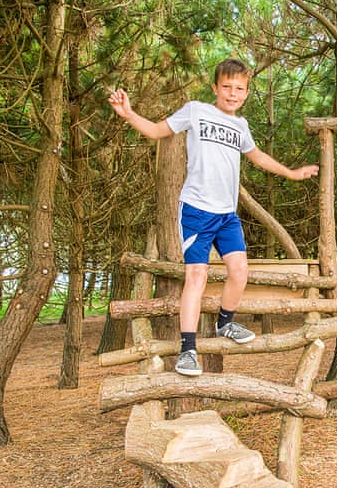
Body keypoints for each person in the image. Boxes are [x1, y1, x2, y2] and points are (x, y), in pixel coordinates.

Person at [108, 58, 318, 377]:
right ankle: (188, 349)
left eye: (239, 89)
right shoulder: (196, 110)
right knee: (197, 276)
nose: (232, 93)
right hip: (196, 209)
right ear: (215, 88)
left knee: (240, 271)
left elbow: (257, 156)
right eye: (227, 87)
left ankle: (224, 324)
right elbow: (156, 131)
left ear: (246, 93)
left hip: (226, 215)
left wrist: (290, 173)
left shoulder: (241, 127)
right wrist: (129, 114)